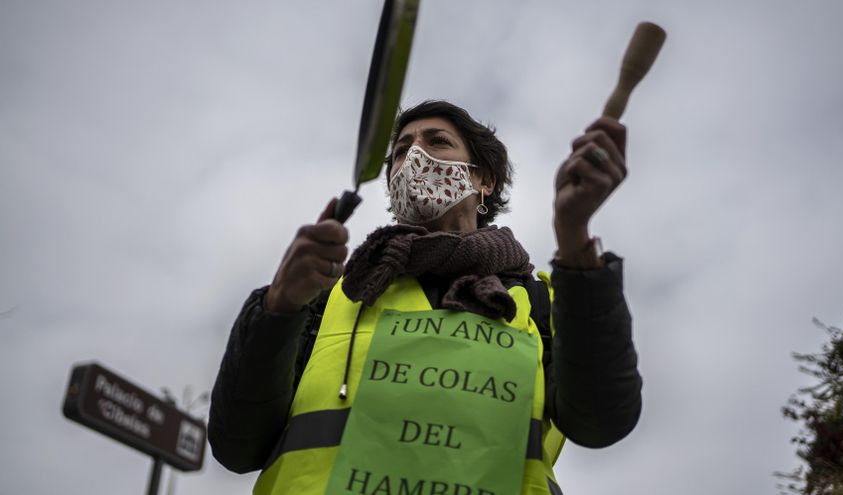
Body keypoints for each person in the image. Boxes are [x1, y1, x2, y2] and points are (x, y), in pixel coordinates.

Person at [209, 100, 641, 495]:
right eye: (401, 150)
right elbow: (238, 445)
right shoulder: (331, 295)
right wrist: (278, 306)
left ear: (484, 180)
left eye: (437, 141)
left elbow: (601, 421)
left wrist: (574, 236)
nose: (415, 156)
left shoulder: (539, 300)